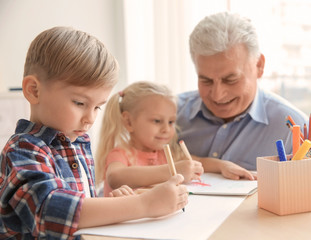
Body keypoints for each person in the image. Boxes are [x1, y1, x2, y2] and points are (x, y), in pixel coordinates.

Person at [0, 27, 188, 239]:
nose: (90, 118)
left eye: (97, 107)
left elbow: (82, 203)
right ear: (34, 90)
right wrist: (143, 204)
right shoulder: (23, 150)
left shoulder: (78, 142)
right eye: (80, 103)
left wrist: (114, 202)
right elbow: (50, 211)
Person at [177, 12, 308, 175]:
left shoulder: (294, 130)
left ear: (259, 66)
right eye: (206, 81)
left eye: (230, 79)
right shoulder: (167, 116)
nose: (217, 95)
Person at [95, 81, 204, 197]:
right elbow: (115, 178)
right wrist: (173, 170)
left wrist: (221, 166)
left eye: (171, 122)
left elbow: (196, 162)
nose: (166, 129)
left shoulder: (165, 154)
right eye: (157, 121)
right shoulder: (120, 154)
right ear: (129, 122)